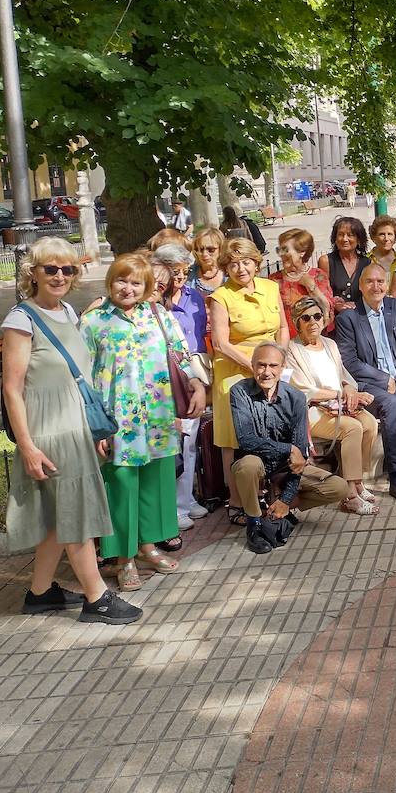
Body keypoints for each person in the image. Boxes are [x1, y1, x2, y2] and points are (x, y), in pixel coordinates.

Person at [1, 240, 140, 625]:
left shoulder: (67, 311)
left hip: (74, 424)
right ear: (33, 273)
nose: (60, 276)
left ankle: (40, 592)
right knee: (75, 511)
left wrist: (91, 428)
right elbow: (12, 388)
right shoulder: (21, 319)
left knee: (56, 516)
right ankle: (96, 598)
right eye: (50, 269)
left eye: (67, 269)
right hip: (49, 429)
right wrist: (27, 445)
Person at [83, 253, 205, 591]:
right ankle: (123, 560)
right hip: (116, 421)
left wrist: (198, 384)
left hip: (157, 417)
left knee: (154, 482)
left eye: (136, 282)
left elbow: (182, 356)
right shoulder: (93, 322)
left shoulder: (159, 316)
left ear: (147, 286)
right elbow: (82, 377)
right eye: (122, 280)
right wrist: (94, 427)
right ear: (110, 282)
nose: (128, 287)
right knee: (121, 486)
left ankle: (148, 546)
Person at [333, 263, 396, 504]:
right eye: (370, 281)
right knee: (391, 405)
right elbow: (350, 361)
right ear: (360, 286)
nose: (376, 286)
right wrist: (384, 378)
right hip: (369, 386)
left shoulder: (393, 307)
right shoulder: (348, 318)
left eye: (381, 281)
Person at [230, 342, 346, 551]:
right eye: (261, 365)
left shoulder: (296, 397)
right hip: (257, 465)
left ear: (282, 368)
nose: (267, 372)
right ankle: (254, 522)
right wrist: (288, 449)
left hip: (285, 468)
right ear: (253, 366)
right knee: (247, 465)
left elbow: (299, 456)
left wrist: (285, 499)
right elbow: (246, 440)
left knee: (338, 487)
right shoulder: (240, 391)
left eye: (273, 366)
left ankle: (280, 508)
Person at [209, 237, 288, 509]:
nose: (240, 268)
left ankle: (276, 490)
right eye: (232, 264)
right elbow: (220, 343)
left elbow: (283, 329)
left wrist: (279, 360)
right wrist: (256, 367)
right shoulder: (221, 296)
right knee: (233, 435)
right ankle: (236, 500)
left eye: (245, 262)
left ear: (256, 262)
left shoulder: (270, 286)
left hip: (271, 364)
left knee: (278, 426)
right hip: (235, 366)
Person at [285, 297, 380, 513]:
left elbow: (343, 374)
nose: (312, 322)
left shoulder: (330, 344)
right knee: (352, 428)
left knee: (369, 422)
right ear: (297, 322)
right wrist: (339, 394)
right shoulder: (292, 349)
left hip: (337, 406)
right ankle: (350, 496)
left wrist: (348, 388)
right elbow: (302, 390)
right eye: (305, 318)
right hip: (312, 411)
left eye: (317, 316)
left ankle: (357, 481)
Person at [152, 243, 211, 532]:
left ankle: (186, 499)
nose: (181, 277)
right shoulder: (155, 303)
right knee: (174, 441)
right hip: (165, 380)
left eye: (186, 272)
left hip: (192, 372)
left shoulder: (195, 297)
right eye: (175, 272)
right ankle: (172, 507)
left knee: (191, 442)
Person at [271, 228, 336, 333]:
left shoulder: (318, 276)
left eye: (285, 250)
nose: (281, 254)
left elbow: (328, 311)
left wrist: (311, 286)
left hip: (315, 336)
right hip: (287, 339)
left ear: (302, 252)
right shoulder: (274, 280)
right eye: (279, 250)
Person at [318, 216, 369, 312]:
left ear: (359, 239)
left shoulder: (367, 263)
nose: (345, 239)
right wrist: (335, 304)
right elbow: (322, 294)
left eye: (350, 235)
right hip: (336, 319)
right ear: (335, 238)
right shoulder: (326, 261)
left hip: (361, 317)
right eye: (340, 235)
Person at [191, 227, 227, 298]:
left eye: (211, 250)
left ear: (221, 249)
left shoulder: (230, 273)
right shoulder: (188, 274)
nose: (204, 254)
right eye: (200, 249)